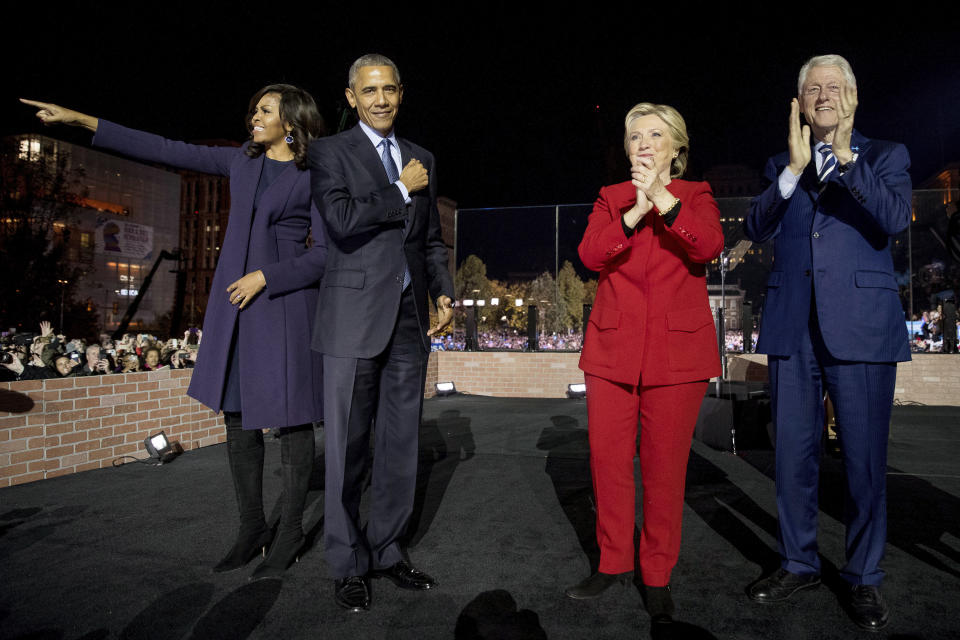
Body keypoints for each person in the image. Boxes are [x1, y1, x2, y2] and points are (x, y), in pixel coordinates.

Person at [22, 84, 328, 580]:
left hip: (283, 308)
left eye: (265, 110)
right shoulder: (240, 162)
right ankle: (253, 527)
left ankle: (291, 531)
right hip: (233, 309)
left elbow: (327, 252)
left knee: (291, 424)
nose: (254, 115)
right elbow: (163, 148)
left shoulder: (315, 173)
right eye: (254, 108)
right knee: (238, 418)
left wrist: (268, 276)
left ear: (291, 122)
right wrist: (82, 121)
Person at [743, 54, 911, 632]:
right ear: (799, 102)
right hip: (794, 327)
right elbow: (754, 227)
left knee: (864, 460)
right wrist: (792, 172)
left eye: (833, 87)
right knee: (792, 456)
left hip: (862, 327)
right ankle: (798, 562)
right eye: (812, 88)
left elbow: (894, 219)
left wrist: (844, 157)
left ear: (853, 97)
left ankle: (863, 577)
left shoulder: (887, 155)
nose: (823, 96)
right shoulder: (779, 165)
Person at [308, 53, 455, 612]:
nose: (381, 100)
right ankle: (347, 565)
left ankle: (388, 551)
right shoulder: (328, 153)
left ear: (401, 92)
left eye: (390, 89)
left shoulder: (423, 157)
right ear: (351, 97)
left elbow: (432, 242)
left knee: (400, 446)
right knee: (347, 450)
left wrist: (442, 289)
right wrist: (398, 189)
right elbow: (341, 221)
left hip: (409, 322)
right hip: (351, 324)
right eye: (369, 91)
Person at [571, 103, 723, 630]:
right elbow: (591, 255)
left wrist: (661, 199)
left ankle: (656, 574)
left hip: (678, 357)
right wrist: (634, 211)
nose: (642, 143)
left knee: (664, 471)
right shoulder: (611, 199)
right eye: (635, 134)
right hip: (612, 353)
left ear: (676, 148)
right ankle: (613, 562)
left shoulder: (696, 194)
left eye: (655, 135)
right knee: (608, 465)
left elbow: (708, 245)